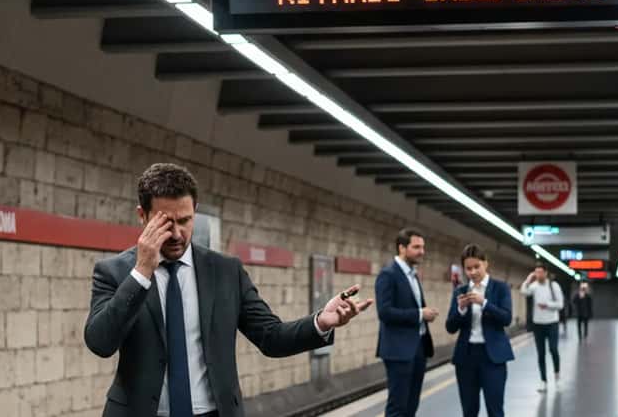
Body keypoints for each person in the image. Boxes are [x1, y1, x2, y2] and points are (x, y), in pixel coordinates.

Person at [83, 163, 374, 417]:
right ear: (142, 215)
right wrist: (142, 272)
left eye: (185, 221)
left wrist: (321, 321)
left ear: (194, 211)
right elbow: (100, 342)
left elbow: (270, 337)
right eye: (164, 222)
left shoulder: (225, 271)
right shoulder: (115, 272)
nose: (176, 233)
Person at [446, 244, 515, 417]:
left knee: (495, 409)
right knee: (469, 410)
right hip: (466, 357)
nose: (473, 272)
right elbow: (450, 327)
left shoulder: (500, 288)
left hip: (493, 357)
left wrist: (484, 303)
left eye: (477, 267)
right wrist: (461, 309)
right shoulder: (460, 291)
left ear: (486, 264)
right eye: (468, 268)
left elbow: (506, 318)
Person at [376, 228, 438, 417]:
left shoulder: (412, 274)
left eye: (423, 247)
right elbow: (385, 312)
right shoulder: (388, 274)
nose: (422, 251)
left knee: (412, 404)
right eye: (416, 247)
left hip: (418, 346)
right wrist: (420, 314)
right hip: (398, 350)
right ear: (402, 248)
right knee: (398, 406)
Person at [520, 264, 564, 392]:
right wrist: (528, 280)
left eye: (540, 272)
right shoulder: (533, 286)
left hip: (552, 323)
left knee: (553, 349)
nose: (538, 275)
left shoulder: (554, 286)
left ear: (545, 273)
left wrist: (548, 305)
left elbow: (560, 304)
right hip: (538, 324)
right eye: (536, 273)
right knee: (541, 353)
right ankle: (543, 381)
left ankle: (557, 376)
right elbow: (523, 291)